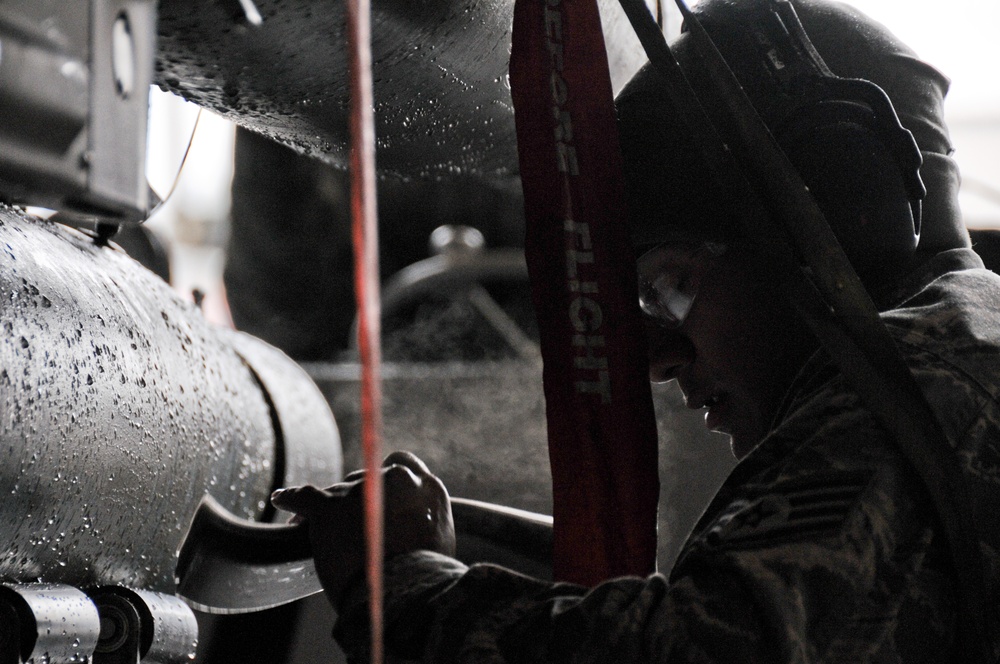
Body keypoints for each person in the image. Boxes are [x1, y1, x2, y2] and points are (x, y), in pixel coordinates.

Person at [271, 0, 1000, 660]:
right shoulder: (962, 354)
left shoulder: (915, 391)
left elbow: (695, 651)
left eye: (673, 285)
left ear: (844, 208)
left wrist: (402, 581)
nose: (656, 361)